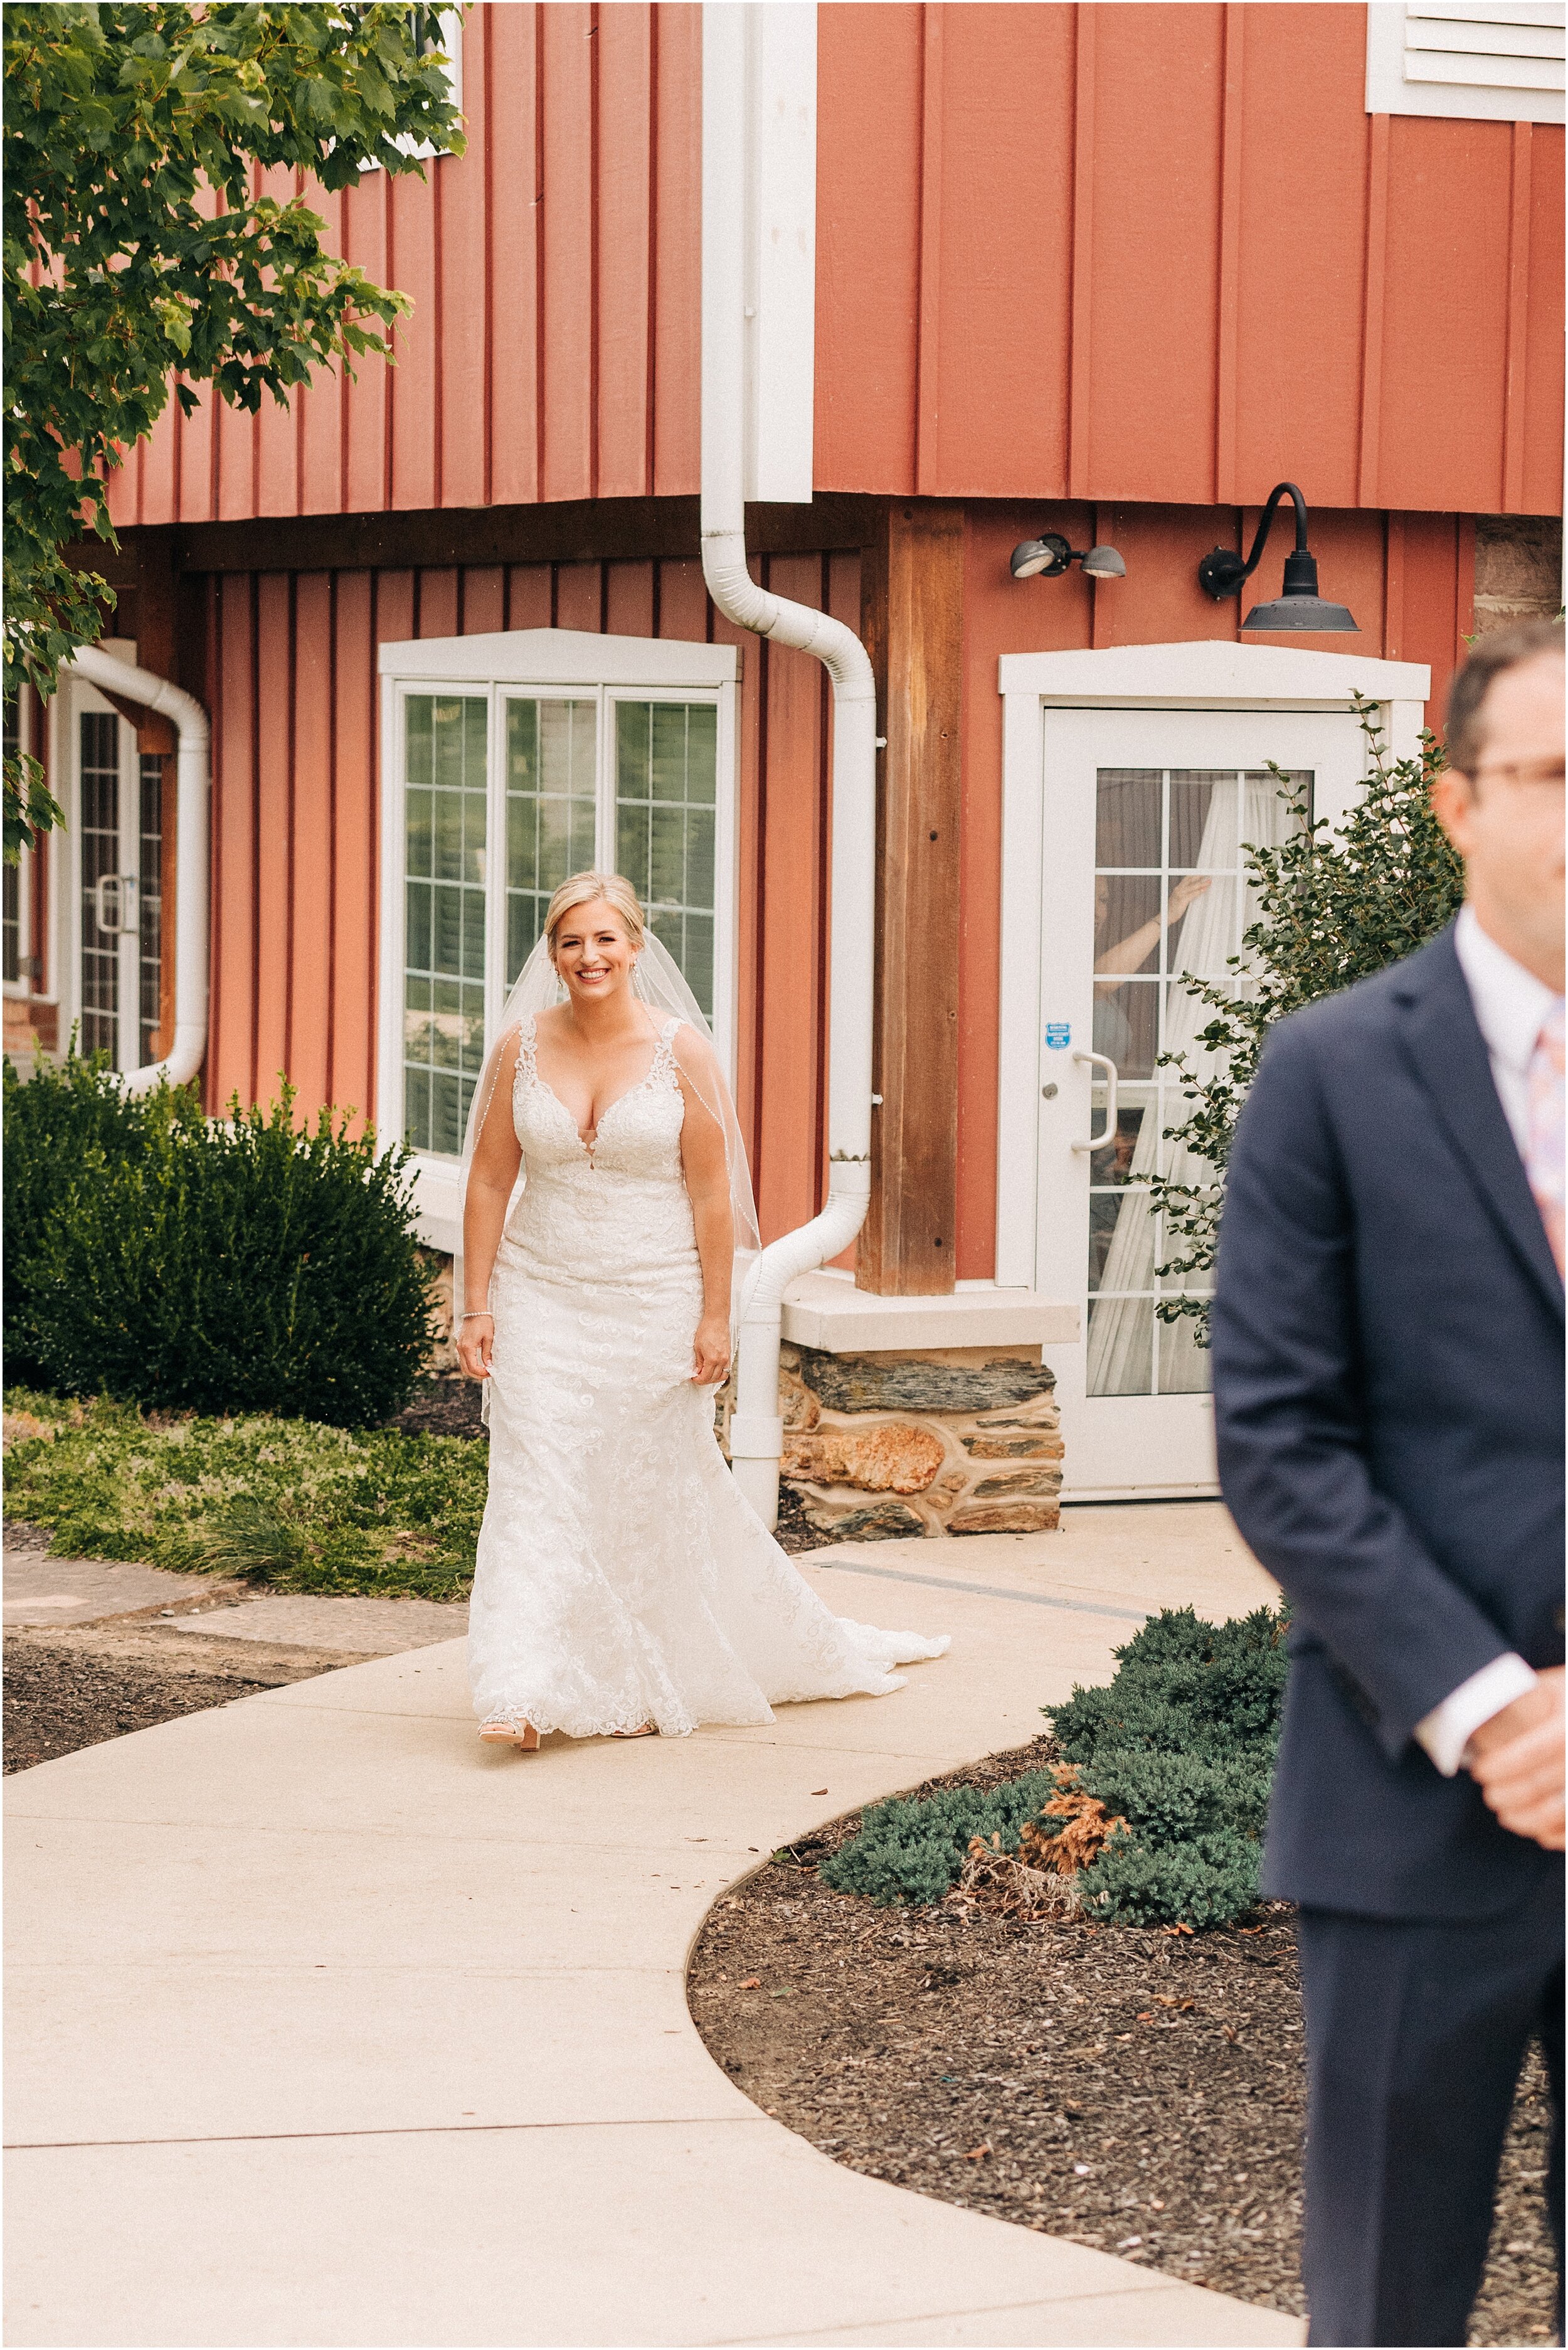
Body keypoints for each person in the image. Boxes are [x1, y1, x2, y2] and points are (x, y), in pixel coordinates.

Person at [1211, 619, 1565, 2347]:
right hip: (1408, 1810)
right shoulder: (1331, 1074)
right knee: (1387, 2311)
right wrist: (1495, 1708)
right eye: (1548, 775)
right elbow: (1277, 1438)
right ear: (1455, 804)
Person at [456, 870, 948, 1751]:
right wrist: (474, 1303)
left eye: (606, 938)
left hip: (653, 1296)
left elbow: (713, 1197)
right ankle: (523, 1684)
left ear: (636, 946)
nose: (589, 956)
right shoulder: (518, 1048)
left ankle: (641, 1670)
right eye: (571, 941)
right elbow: (491, 1178)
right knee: (536, 1483)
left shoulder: (685, 1052)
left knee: (640, 1488)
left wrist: (717, 1317)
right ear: (552, 954)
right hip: (540, 1293)